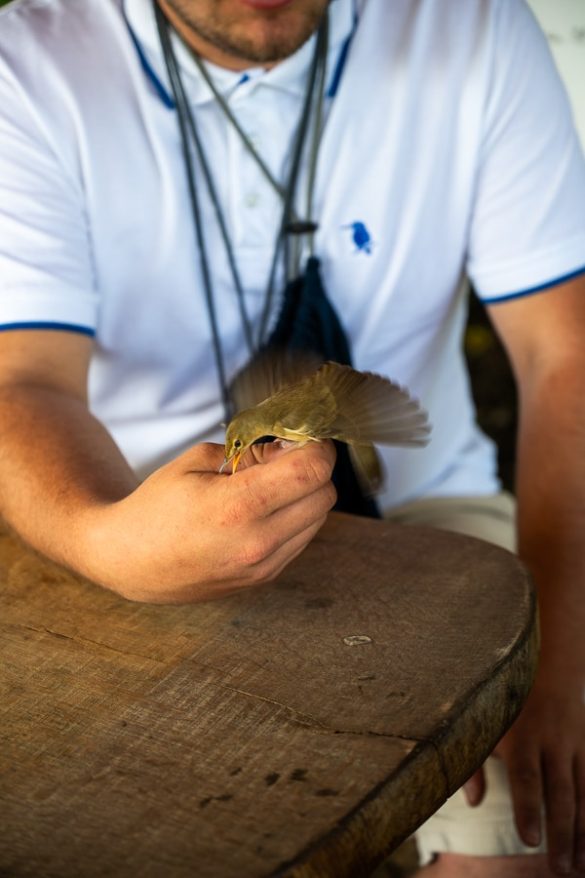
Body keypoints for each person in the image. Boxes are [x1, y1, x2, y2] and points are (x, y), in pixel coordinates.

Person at [0, 0, 584, 874]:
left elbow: (562, 351)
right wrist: (105, 537)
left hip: (428, 514)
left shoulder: (472, 25)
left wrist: (565, 645)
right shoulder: (30, 64)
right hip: (130, 508)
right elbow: (24, 382)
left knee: (518, 841)